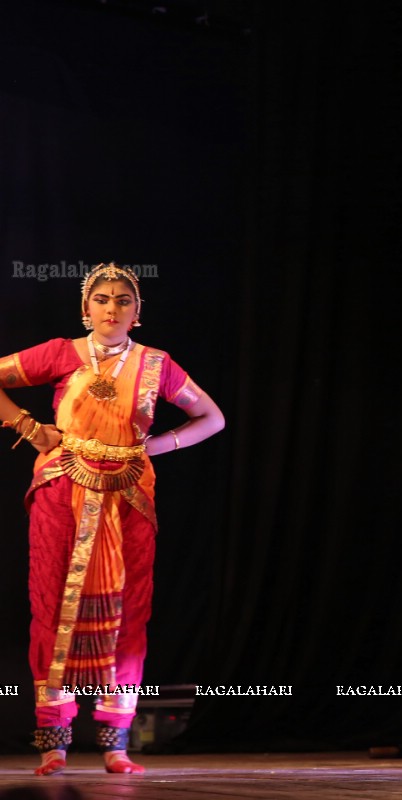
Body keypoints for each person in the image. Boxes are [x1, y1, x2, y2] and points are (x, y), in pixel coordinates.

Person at [0, 263, 225, 776]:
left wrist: (158, 447)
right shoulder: (61, 353)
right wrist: (29, 428)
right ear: (86, 308)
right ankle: (53, 740)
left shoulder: (156, 365)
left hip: (129, 498)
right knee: (54, 604)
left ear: (138, 312)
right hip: (63, 490)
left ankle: (115, 743)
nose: (112, 307)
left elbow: (212, 418)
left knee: (128, 611)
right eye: (101, 299)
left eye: (124, 299)